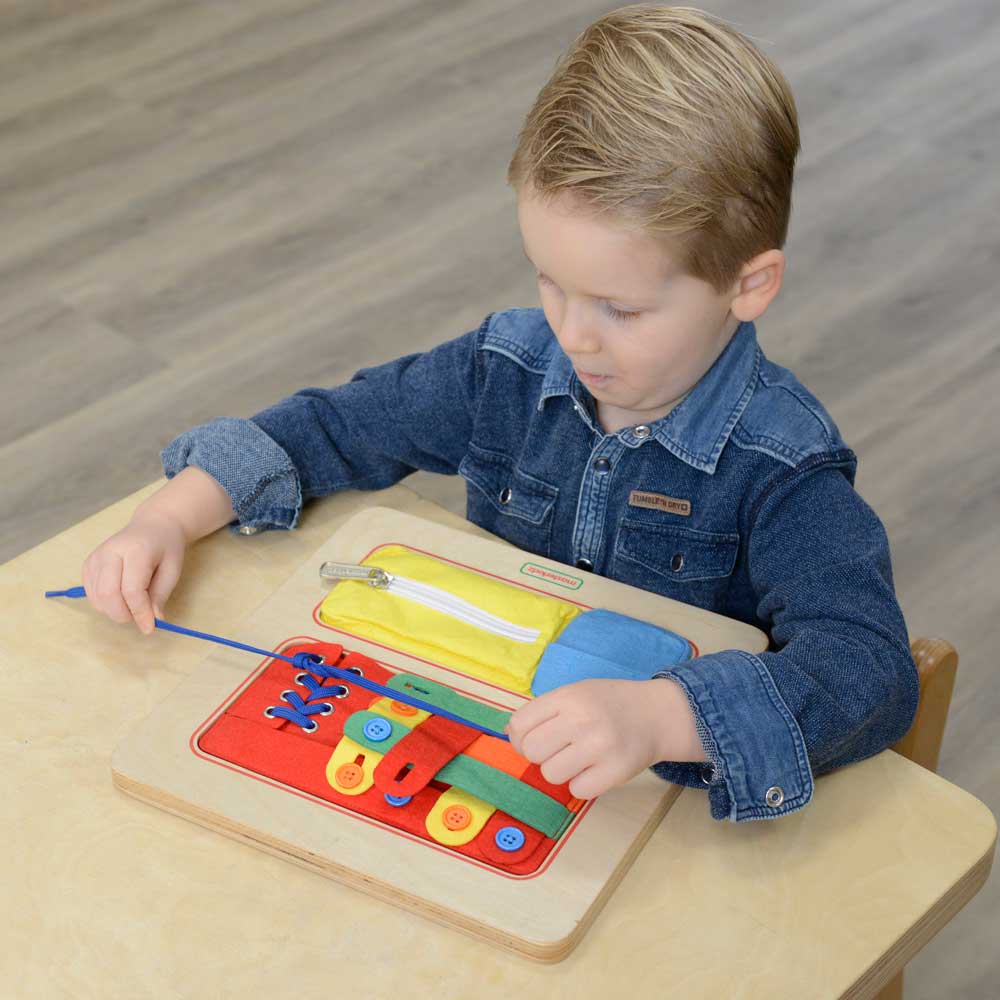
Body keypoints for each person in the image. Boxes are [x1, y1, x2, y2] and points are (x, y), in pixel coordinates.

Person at [80, 5, 919, 822]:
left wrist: (665, 719)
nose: (573, 334)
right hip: (484, 752)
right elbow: (330, 430)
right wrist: (166, 518)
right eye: (549, 281)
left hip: (659, 812)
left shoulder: (785, 469)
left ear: (749, 284)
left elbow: (869, 672)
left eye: (620, 309)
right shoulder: (504, 370)